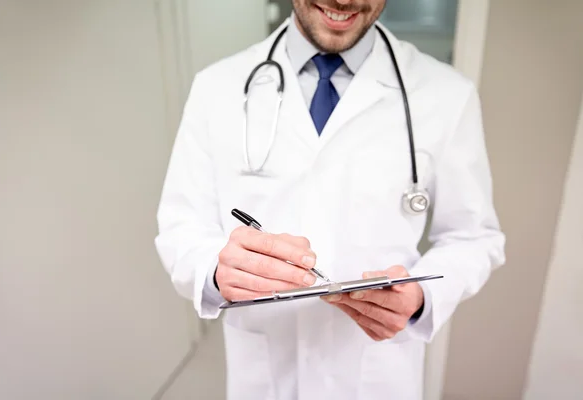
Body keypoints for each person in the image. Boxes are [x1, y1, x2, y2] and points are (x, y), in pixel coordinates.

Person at [154, 1, 506, 399]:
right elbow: (181, 227)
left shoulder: (445, 94)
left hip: (377, 374)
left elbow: (474, 237)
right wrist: (216, 272)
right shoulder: (216, 87)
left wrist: (424, 298)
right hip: (266, 374)